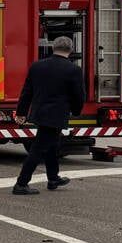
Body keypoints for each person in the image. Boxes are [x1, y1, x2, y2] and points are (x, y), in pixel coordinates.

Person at [12, 36, 84, 195]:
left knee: (52, 145)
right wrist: (77, 111)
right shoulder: (74, 70)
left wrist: (21, 112)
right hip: (56, 114)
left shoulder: (37, 66)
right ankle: (21, 183)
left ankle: (53, 178)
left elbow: (27, 91)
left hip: (39, 112)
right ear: (71, 50)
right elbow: (78, 95)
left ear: (53, 48)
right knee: (38, 149)